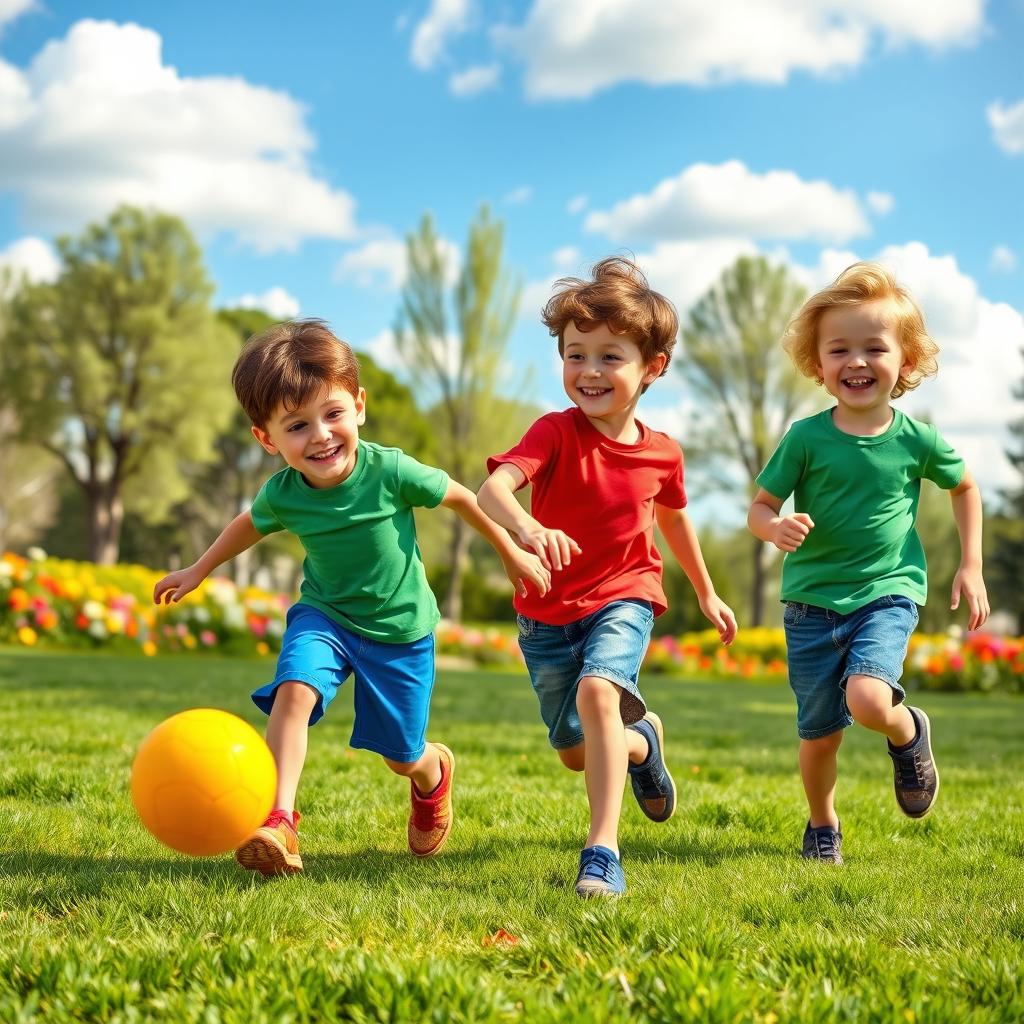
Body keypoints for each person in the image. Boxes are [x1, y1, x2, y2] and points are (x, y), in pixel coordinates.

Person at [153, 319, 549, 875]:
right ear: (266, 439)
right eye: (297, 425)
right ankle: (279, 821)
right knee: (294, 691)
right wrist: (199, 568)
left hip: (401, 630)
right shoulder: (284, 493)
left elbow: (461, 498)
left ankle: (433, 772)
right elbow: (249, 524)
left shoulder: (389, 469)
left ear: (359, 406)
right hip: (326, 617)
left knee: (400, 756)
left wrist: (511, 552)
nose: (320, 435)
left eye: (333, 414)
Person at [478, 257, 737, 897]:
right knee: (576, 750)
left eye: (609, 357)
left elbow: (674, 520)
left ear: (653, 368)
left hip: (625, 596)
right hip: (546, 615)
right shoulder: (553, 432)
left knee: (600, 693)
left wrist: (705, 590)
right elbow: (491, 490)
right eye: (575, 355)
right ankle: (642, 743)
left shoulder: (663, 452)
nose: (588, 372)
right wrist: (529, 530)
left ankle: (602, 852)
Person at [748, 262, 989, 864]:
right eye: (839, 349)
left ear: (904, 362)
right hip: (809, 603)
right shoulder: (805, 438)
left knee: (868, 701)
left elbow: (965, 488)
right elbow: (759, 506)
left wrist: (971, 564)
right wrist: (774, 527)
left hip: (887, 592)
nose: (856, 361)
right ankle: (823, 824)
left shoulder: (918, 439)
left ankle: (907, 733)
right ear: (819, 364)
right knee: (819, 734)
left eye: (874, 348)